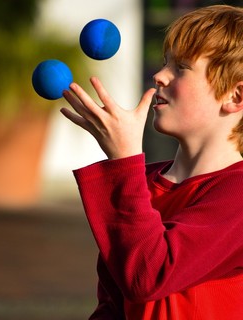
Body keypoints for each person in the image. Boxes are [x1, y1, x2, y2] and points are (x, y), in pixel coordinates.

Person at [60, 4, 243, 320]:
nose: (159, 75)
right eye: (164, 63)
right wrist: (127, 169)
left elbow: (150, 275)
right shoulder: (139, 184)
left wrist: (124, 160)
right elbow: (114, 303)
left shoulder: (237, 193)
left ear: (235, 97)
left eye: (181, 67)